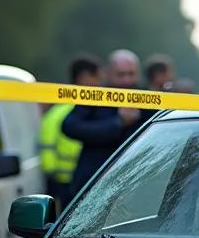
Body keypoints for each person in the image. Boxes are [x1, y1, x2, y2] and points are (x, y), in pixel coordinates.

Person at [61, 49, 150, 198]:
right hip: (94, 184)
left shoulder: (149, 99)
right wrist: (118, 122)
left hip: (134, 183)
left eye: (131, 74)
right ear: (108, 73)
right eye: (121, 74)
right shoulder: (97, 97)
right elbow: (69, 126)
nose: (127, 80)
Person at [39, 54, 100, 206]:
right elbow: (47, 144)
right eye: (95, 77)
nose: (98, 83)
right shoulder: (65, 113)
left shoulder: (59, 111)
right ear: (82, 78)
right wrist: (53, 177)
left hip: (79, 179)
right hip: (67, 183)